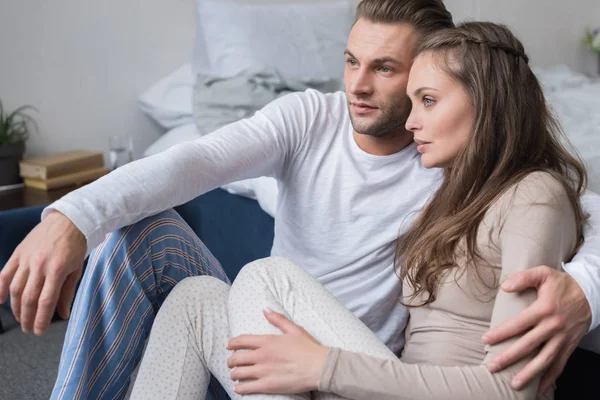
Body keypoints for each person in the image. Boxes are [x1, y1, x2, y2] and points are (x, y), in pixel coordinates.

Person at [0, 1, 598, 399]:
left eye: (389, 71)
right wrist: (73, 215)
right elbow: (197, 161)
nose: (357, 87)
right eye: (350, 61)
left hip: (357, 370)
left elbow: (572, 206)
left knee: (265, 275)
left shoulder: (470, 168)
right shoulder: (314, 119)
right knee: (178, 278)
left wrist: (587, 290)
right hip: (283, 355)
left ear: (436, 76)